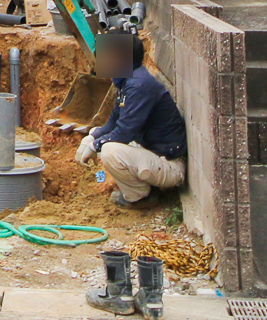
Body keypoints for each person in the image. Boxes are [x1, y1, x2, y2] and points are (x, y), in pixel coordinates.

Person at [76, 30, 187, 208]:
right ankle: (147, 187)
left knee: (110, 150)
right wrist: (93, 136)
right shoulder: (128, 80)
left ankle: (140, 197)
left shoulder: (138, 85)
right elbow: (114, 121)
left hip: (170, 165)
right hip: (156, 155)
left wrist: (94, 146)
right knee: (106, 141)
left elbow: (125, 132)